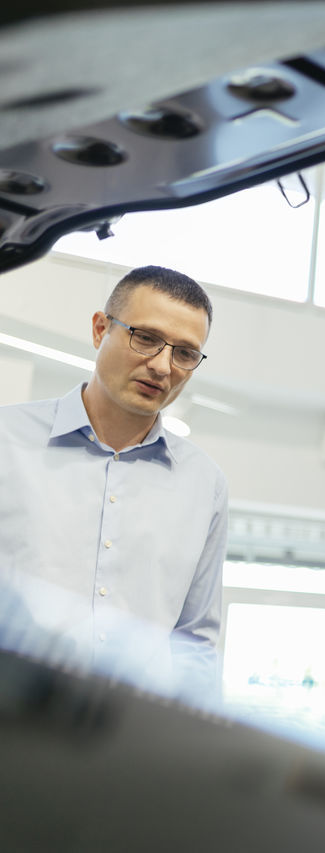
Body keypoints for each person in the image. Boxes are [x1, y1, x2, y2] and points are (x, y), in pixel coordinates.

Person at [0, 265, 227, 694]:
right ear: (100, 329)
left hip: (131, 749)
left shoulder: (205, 485)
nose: (162, 366)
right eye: (145, 338)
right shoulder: (4, 441)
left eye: (185, 353)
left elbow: (194, 642)